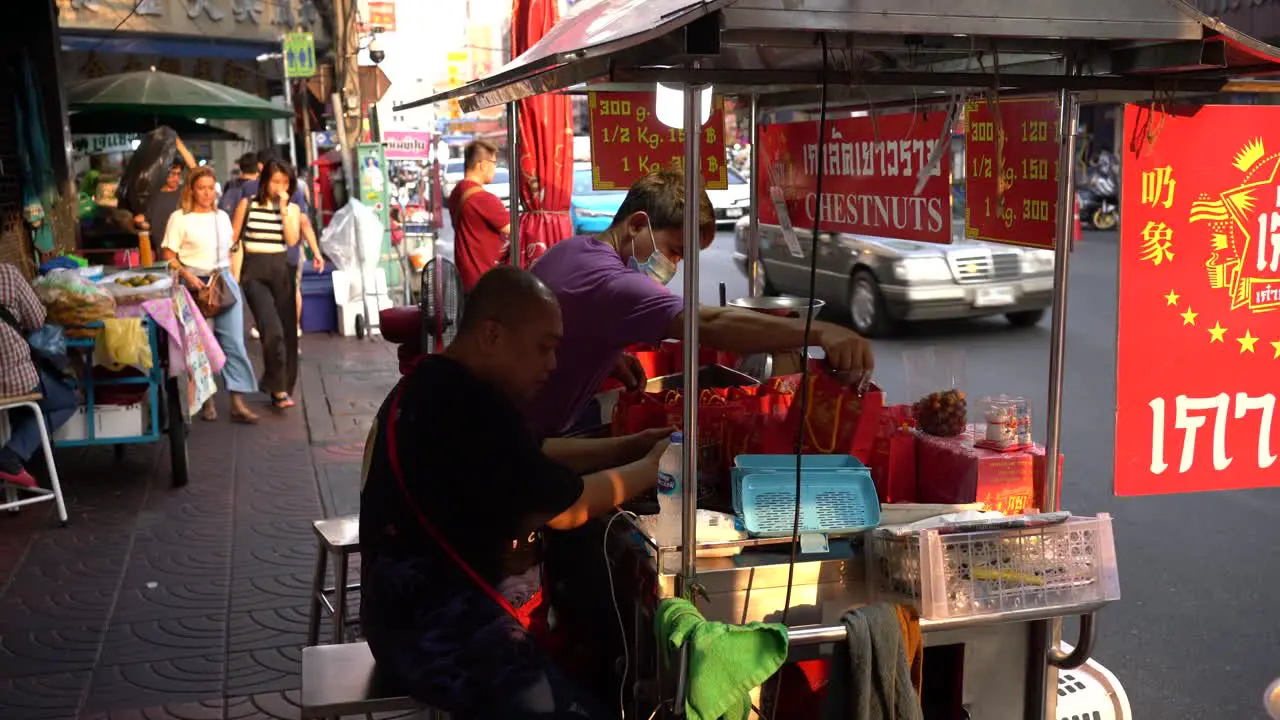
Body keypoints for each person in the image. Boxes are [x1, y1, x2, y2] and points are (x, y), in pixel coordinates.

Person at [360, 266, 670, 719]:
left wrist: (627, 446)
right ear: (492, 334)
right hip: (436, 637)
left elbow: (530, 455)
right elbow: (568, 508)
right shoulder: (468, 407)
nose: (552, 364)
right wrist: (651, 468)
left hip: (393, 618)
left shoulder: (434, 383)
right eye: (543, 347)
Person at [528, 168, 875, 439]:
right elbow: (710, 323)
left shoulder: (571, 250)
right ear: (636, 225)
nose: (674, 266)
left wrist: (607, 355)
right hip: (526, 436)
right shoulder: (618, 284)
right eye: (673, 251)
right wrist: (819, 332)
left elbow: (569, 321)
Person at [160, 166, 259, 424]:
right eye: (201, 188)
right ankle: (207, 399)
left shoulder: (222, 217)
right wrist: (188, 276)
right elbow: (169, 256)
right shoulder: (179, 218)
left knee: (234, 343)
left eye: (210, 188)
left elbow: (229, 251)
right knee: (201, 345)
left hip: (223, 281)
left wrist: (232, 278)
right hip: (195, 284)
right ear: (191, 189)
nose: (206, 193)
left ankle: (237, 401)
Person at [231, 160, 302, 410]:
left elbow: (292, 239)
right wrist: (233, 274)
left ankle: (280, 386)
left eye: (285, 182)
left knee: (288, 333)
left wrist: (283, 209)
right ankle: (276, 386)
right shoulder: (247, 204)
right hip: (254, 271)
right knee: (271, 330)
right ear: (265, 181)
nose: (280, 187)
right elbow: (234, 238)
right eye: (275, 181)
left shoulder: (291, 209)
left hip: (281, 270)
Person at [0, 264, 77, 488]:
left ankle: (18, 459)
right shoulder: (7, 274)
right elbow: (36, 319)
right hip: (15, 381)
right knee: (66, 400)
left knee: (23, 407)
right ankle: (12, 455)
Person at [238, 149, 324, 339]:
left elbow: (302, 223)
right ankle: (289, 329)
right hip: (271, 259)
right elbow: (305, 223)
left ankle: (281, 330)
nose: (281, 185)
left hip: (276, 257)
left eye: (284, 181)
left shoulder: (284, 191)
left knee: (279, 296)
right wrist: (316, 251)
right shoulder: (288, 189)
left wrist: (316, 251)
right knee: (290, 292)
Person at [449, 139, 510, 291]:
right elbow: (514, 230)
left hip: (465, 278)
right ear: (483, 165)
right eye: (494, 163)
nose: (495, 169)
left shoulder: (457, 192)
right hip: (485, 280)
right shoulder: (483, 199)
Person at [132, 137, 197, 258]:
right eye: (172, 174)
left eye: (178, 174)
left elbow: (195, 169)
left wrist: (179, 144)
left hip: (187, 256)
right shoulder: (152, 196)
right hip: (163, 256)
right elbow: (147, 222)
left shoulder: (185, 192)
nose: (176, 178)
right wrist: (141, 223)